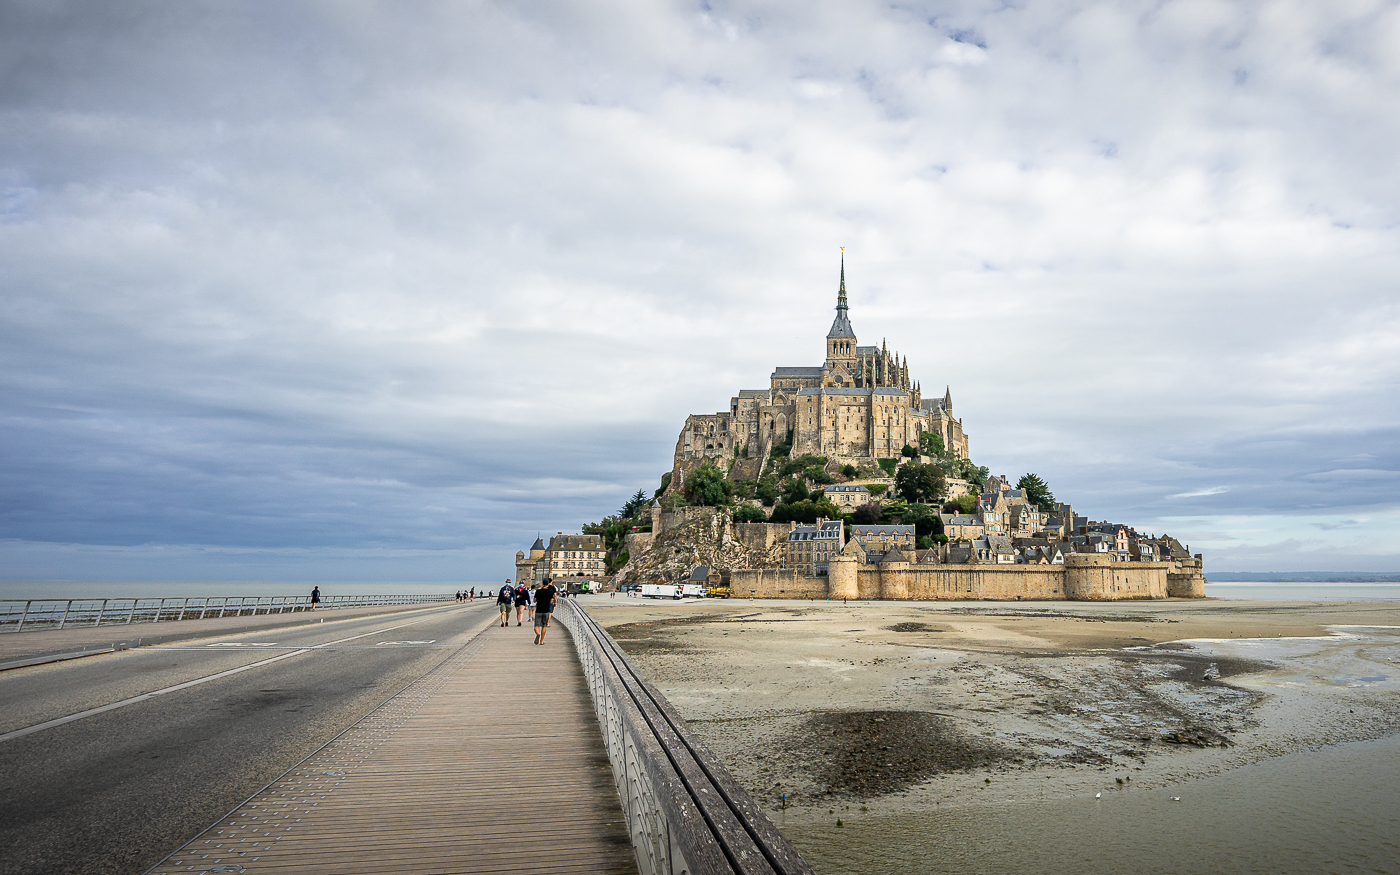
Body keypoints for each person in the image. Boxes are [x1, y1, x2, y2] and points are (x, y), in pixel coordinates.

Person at [534, 578, 558, 644]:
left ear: (542, 583)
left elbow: (534, 600)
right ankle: (542, 641)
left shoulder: (538, 591)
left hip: (538, 610)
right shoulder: (550, 591)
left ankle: (537, 633)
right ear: (548, 584)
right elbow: (551, 600)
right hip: (546, 610)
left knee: (537, 625)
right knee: (544, 625)